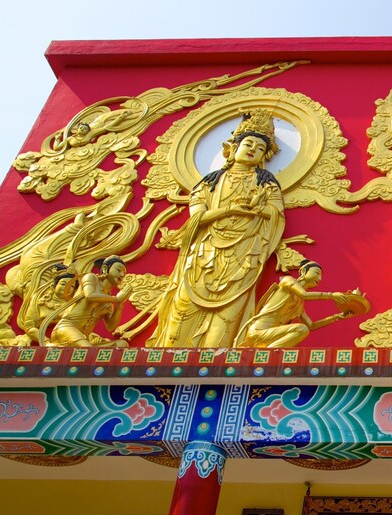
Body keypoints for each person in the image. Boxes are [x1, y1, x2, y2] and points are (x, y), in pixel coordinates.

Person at [147, 110, 286, 347]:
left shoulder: (266, 182)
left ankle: (217, 355)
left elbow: (276, 214)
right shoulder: (210, 181)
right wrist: (230, 210)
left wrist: (255, 208)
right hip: (205, 250)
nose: (252, 149)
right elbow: (197, 217)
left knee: (229, 312)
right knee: (183, 306)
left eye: (260, 148)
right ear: (231, 148)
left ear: (265, 156)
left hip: (245, 252)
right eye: (248, 144)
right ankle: (171, 354)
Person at [234, 260, 363, 348]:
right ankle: (270, 354)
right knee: (301, 329)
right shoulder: (287, 281)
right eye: (316, 273)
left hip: (272, 336)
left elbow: (311, 326)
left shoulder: (298, 304)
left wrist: (337, 317)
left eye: (321, 277)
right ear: (302, 272)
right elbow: (304, 295)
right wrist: (332, 295)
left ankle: (269, 352)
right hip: (258, 332)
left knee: (303, 329)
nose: (319, 279)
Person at [48, 256, 132, 347]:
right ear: (105, 268)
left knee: (122, 345)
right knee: (88, 350)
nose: (122, 274)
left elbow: (111, 327)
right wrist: (116, 299)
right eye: (118, 270)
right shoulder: (91, 277)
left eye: (124, 273)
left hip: (83, 338)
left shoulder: (108, 300)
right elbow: (89, 296)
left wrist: (120, 305)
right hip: (65, 329)